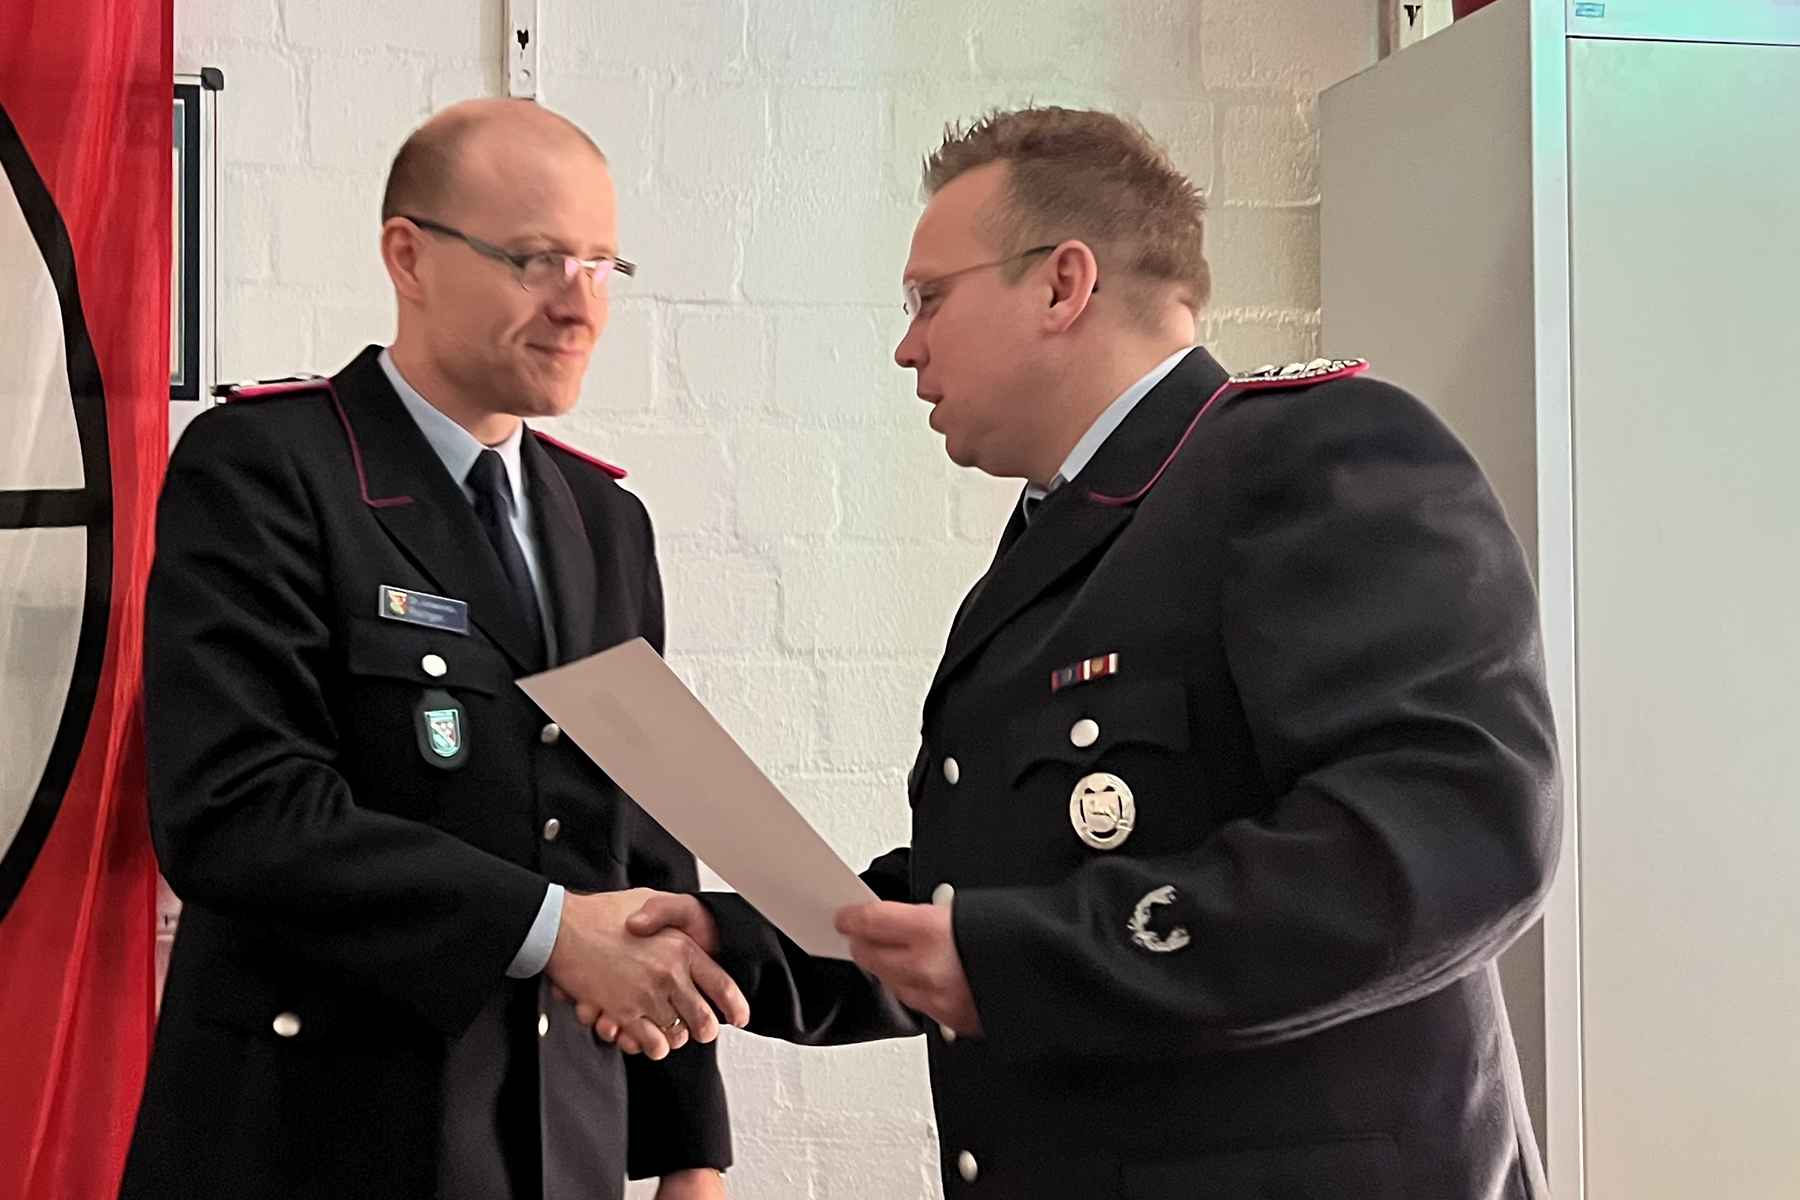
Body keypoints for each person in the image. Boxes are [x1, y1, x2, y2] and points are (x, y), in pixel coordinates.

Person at [614, 107, 1561, 1199]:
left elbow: (1454, 834)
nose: (907, 344)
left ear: (1063, 285)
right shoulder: (1058, 543)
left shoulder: (1309, 458)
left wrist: (1020, 959)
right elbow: (995, 890)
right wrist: (736, 944)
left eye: (929, 298)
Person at [120, 99, 747, 1200]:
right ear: (408, 257)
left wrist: (687, 1150)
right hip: (314, 1140)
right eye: (538, 261)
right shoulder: (269, 469)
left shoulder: (605, 523)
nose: (580, 305)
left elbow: (644, 847)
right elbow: (237, 810)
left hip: (557, 1141)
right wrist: (550, 933)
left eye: (602, 266)